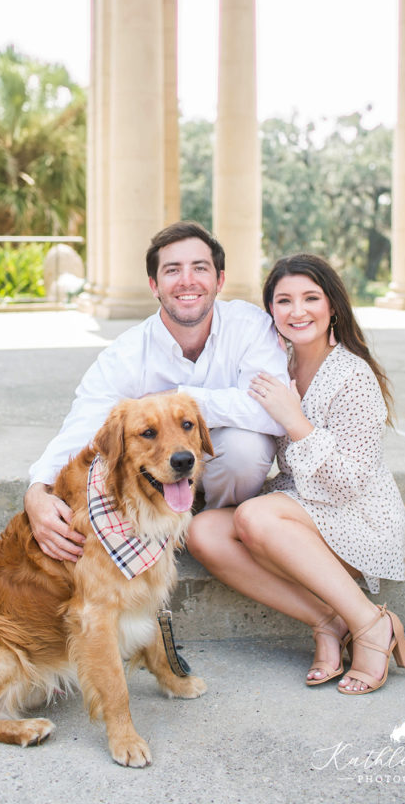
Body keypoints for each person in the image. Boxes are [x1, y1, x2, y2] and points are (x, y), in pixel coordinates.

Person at [187, 253, 405, 695]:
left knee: (254, 516)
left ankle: (371, 623)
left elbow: (349, 484)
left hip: (359, 517)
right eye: (284, 300)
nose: (297, 311)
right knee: (204, 532)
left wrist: (295, 421)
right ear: (271, 310)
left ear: (333, 306)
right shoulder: (275, 363)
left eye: (311, 298)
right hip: (297, 510)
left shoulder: (353, 376)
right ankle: (327, 621)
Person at [25, 221, 290, 562]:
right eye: (172, 270)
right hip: (154, 468)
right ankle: (170, 518)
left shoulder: (251, 327)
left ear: (219, 280)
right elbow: (84, 423)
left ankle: (213, 524)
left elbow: (274, 411)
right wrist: (38, 489)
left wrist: (180, 400)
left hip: (223, 465)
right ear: (154, 285)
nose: (187, 280)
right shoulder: (127, 353)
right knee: (118, 452)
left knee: (246, 448)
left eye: (200, 268)